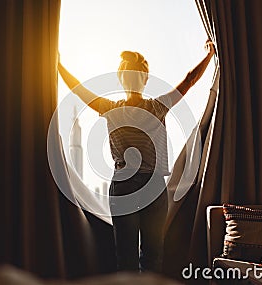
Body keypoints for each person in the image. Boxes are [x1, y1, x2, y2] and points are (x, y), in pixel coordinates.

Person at [57, 40, 216, 273]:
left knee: (150, 257)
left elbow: (190, 79)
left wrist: (210, 55)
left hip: (152, 187)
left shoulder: (156, 106)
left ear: (145, 79)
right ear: (122, 79)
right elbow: (79, 90)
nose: (131, 79)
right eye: (127, 74)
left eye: (136, 74)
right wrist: (59, 66)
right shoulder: (113, 108)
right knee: (130, 260)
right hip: (126, 186)